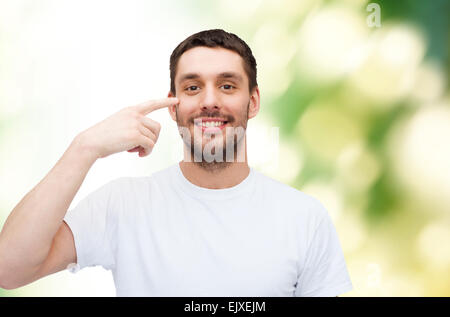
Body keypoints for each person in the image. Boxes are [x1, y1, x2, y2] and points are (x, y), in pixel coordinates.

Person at [0, 29, 353, 297]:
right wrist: (84, 147)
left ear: (254, 101)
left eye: (228, 86)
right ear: (173, 104)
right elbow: (9, 268)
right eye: (192, 87)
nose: (209, 101)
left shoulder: (304, 217)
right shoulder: (123, 205)